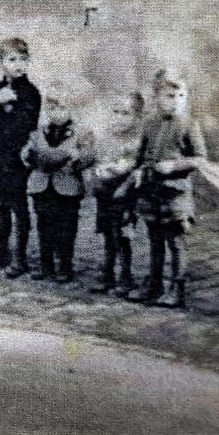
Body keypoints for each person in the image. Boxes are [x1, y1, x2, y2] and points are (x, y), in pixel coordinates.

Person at [128, 67, 208, 309]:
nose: (176, 101)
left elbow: (200, 158)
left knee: (175, 242)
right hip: (151, 191)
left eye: (181, 96)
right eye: (169, 96)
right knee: (154, 240)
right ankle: (153, 283)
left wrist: (175, 165)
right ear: (156, 97)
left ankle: (177, 286)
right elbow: (140, 155)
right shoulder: (150, 123)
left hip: (175, 193)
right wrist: (137, 168)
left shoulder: (188, 124)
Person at [0, 38, 42, 275]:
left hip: (16, 157)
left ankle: (19, 258)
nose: (18, 65)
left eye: (23, 59)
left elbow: (25, 123)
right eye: (12, 59)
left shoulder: (30, 92)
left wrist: (6, 109)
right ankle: (1, 253)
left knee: (19, 207)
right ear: (1, 62)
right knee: (0, 206)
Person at [23, 85, 95, 284]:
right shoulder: (39, 132)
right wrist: (29, 156)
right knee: (44, 226)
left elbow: (89, 156)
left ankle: (65, 266)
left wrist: (76, 158)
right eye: (52, 109)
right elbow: (26, 152)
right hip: (42, 186)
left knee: (66, 228)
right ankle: (46, 266)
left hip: (67, 188)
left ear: (72, 109)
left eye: (62, 108)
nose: (56, 113)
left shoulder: (82, 133)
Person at [87, 91, 144, 296]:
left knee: (122, 236)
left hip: (124, 196)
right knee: (107, 235)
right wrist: (98, 170)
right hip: (105, 194)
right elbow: (98, 160)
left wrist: (116, 170)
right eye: (116, 112)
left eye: (126, 113)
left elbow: (131, 167)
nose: (119, 118)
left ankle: (125, 277)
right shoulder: (106, 136)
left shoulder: (137, 140)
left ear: (137, 116)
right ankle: (107, 275)